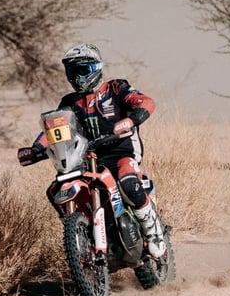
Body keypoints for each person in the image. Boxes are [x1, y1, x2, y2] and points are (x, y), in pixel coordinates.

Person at [22, 42, 167, 258]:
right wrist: (36, 148)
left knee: (128, 183)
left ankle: (153, 231)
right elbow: (55, 129)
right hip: (86, 158)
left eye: (82, 70)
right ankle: (82, 231)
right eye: (72, 71)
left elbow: (146, 102)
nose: (77, 77)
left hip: (121, 152)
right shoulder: (69, 102)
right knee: (56, 190)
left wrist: (131, 120)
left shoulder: (116, 88)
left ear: (96, 68)